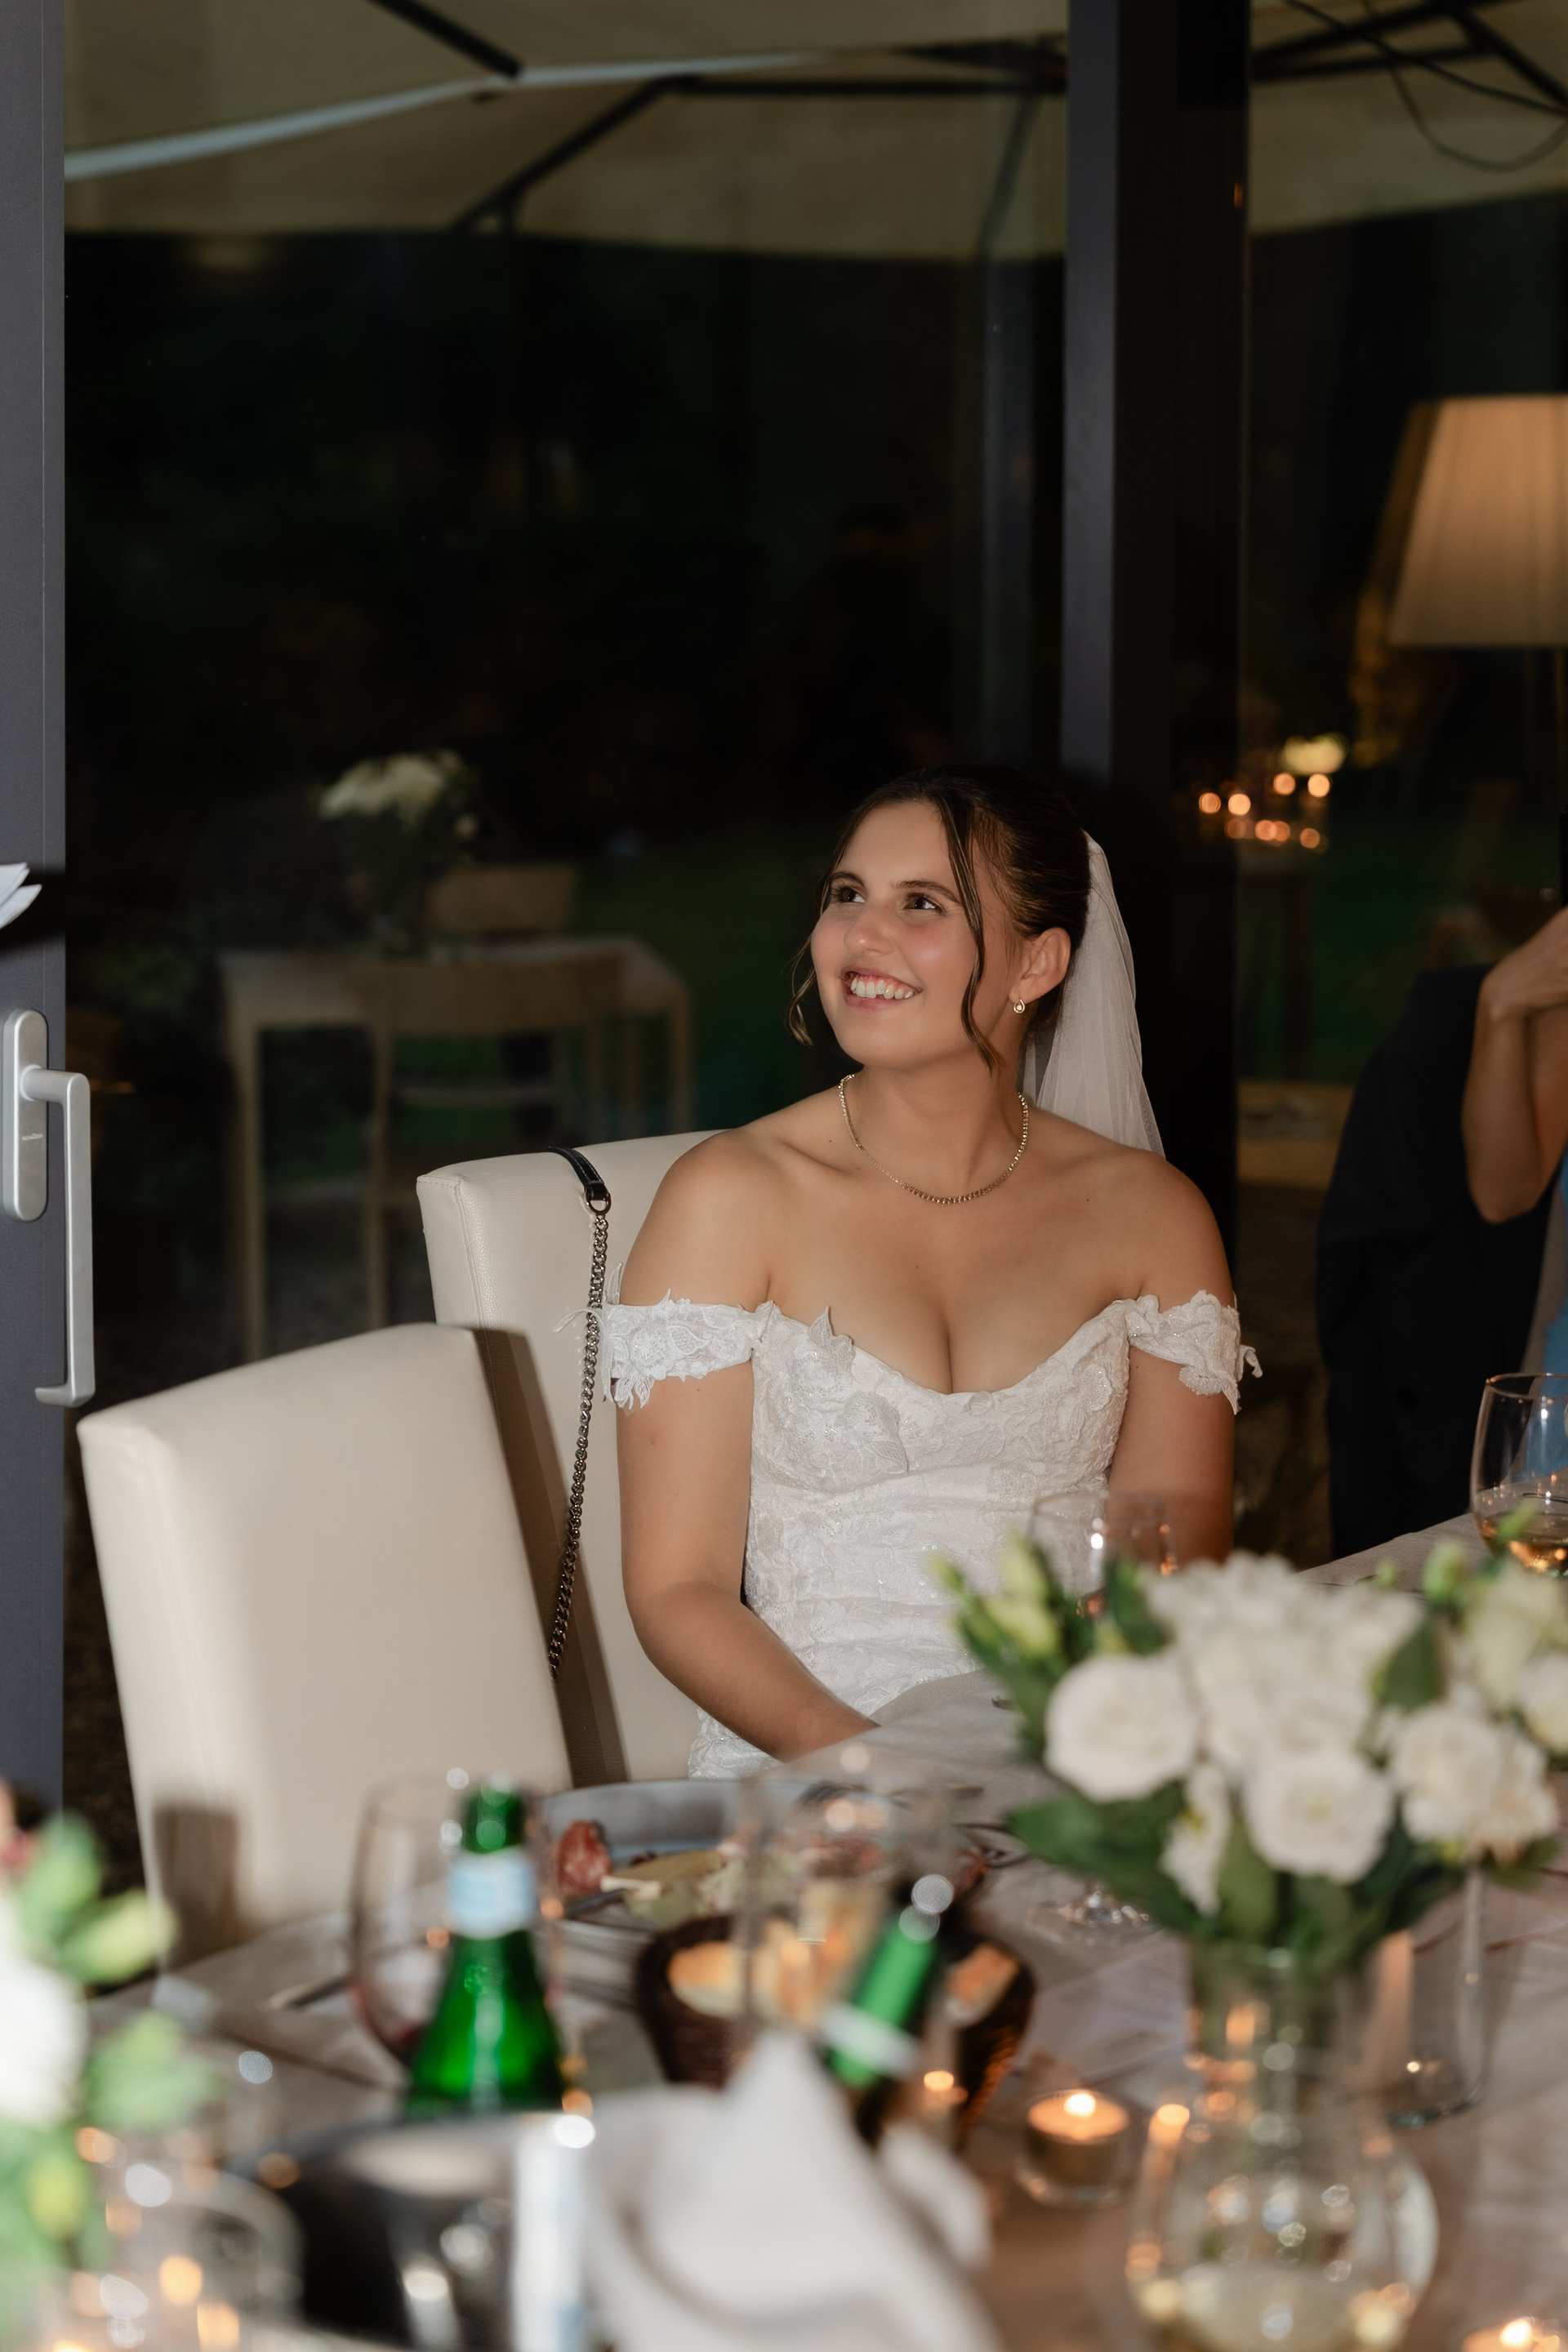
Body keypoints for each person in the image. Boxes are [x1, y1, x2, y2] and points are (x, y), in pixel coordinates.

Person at [604, 767, 1258, 1776]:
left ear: (1037, 963)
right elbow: (676, 1592)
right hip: (813, 1772)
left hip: (1067, 1763)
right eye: (847, 894)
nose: (861, 937)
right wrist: (892, 1777)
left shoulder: (1152, 1215)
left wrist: (1067, 1756)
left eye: (922, 905)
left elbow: (1176, 1544)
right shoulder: (728, 1197)